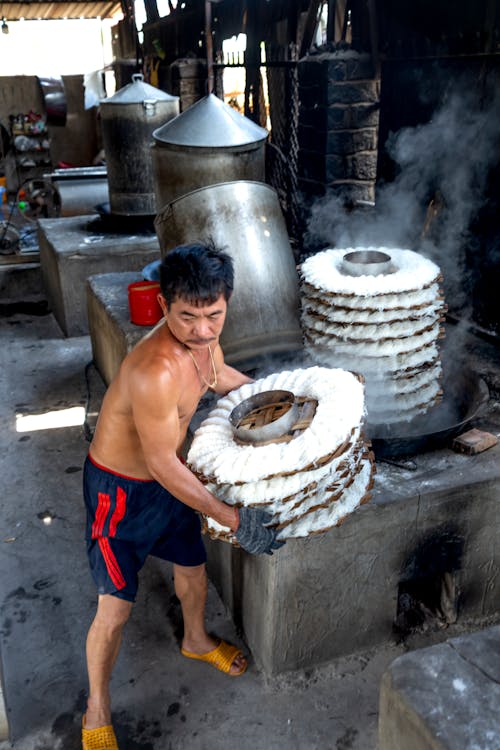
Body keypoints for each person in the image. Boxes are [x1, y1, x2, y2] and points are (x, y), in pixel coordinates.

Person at [82, 243, 282, 750]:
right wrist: (233, 519)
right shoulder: (154, 370)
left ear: (226, 303)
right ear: (165, 305)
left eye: (213, 315)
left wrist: (281, 396)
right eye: (187, 316)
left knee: (192, 571)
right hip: (122, 492)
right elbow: (160, 463)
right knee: (115, 609)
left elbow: (220, 377)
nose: (202, 329)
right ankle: (95, 708)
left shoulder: (205, 343)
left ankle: (195, 640)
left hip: (171, 481)